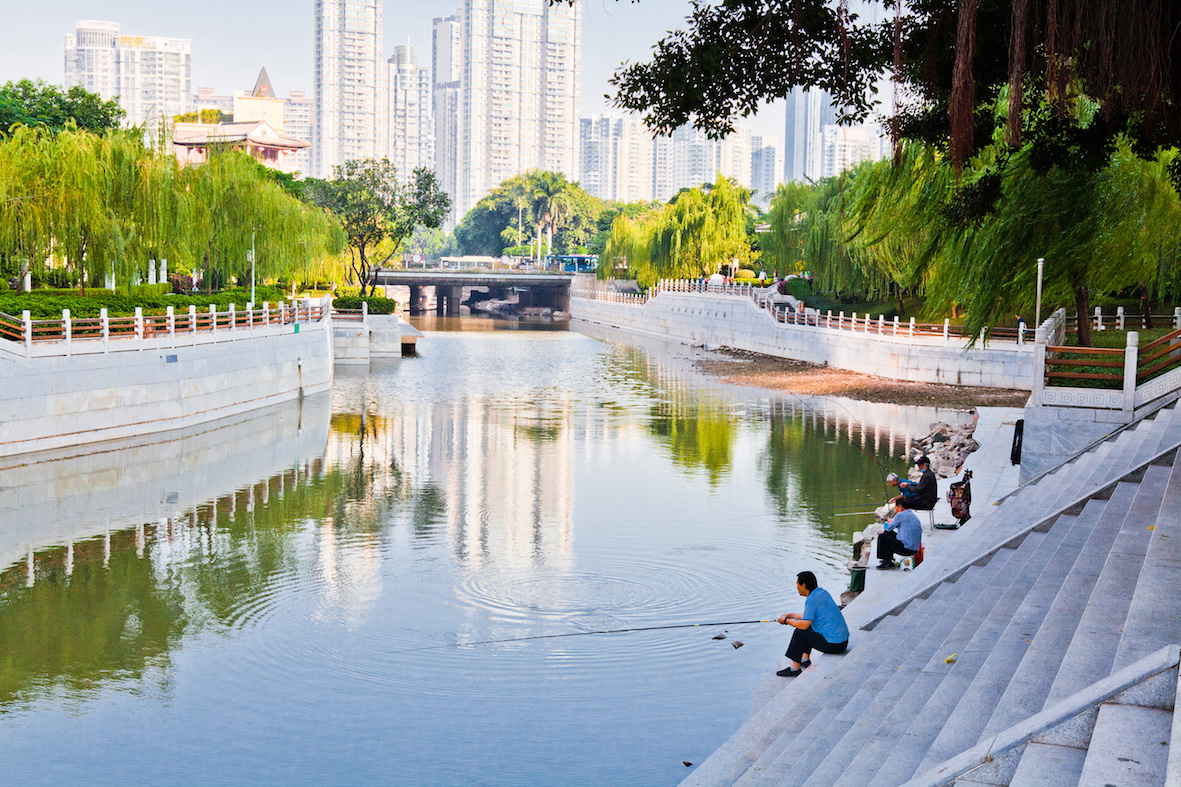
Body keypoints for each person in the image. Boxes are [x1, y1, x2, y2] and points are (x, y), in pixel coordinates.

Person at [775, 571, 850, 677]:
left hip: (834, 646)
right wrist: (789, 615)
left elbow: (804, 625)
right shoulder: (821, 593)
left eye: (797, 584)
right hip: (843, 643)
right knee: (809, 626)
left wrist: (786, 621)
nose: (796, 587)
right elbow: (808, 617)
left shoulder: (812, 599)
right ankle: (804, 659)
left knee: (800, 632)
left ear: (803, 585)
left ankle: (795, 668)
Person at [877, 497, 922, 569]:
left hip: (906, 548)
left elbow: (888, 528)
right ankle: (889, 559)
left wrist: (890, 522)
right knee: (889, 534)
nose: (895, 510)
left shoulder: (900, 515)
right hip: (915, 548)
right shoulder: (912, 515)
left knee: (882, 537)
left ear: (900, 507)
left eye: (896, 507)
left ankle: (886, 562)